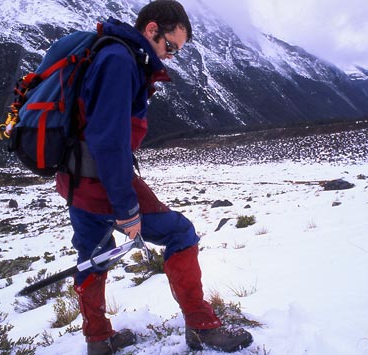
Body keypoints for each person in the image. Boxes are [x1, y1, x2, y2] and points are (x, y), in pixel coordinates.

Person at [55, 1, 253, 354]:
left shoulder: (109, 52)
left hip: (75, 180)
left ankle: (98, 339)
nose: (172, 56)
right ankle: (201, 325)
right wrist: (126, 207)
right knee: (180, 233)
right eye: (170, 46)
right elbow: (109, 139)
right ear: (151, 30)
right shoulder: (119, 61)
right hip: (103, 182)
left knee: (91, 255)